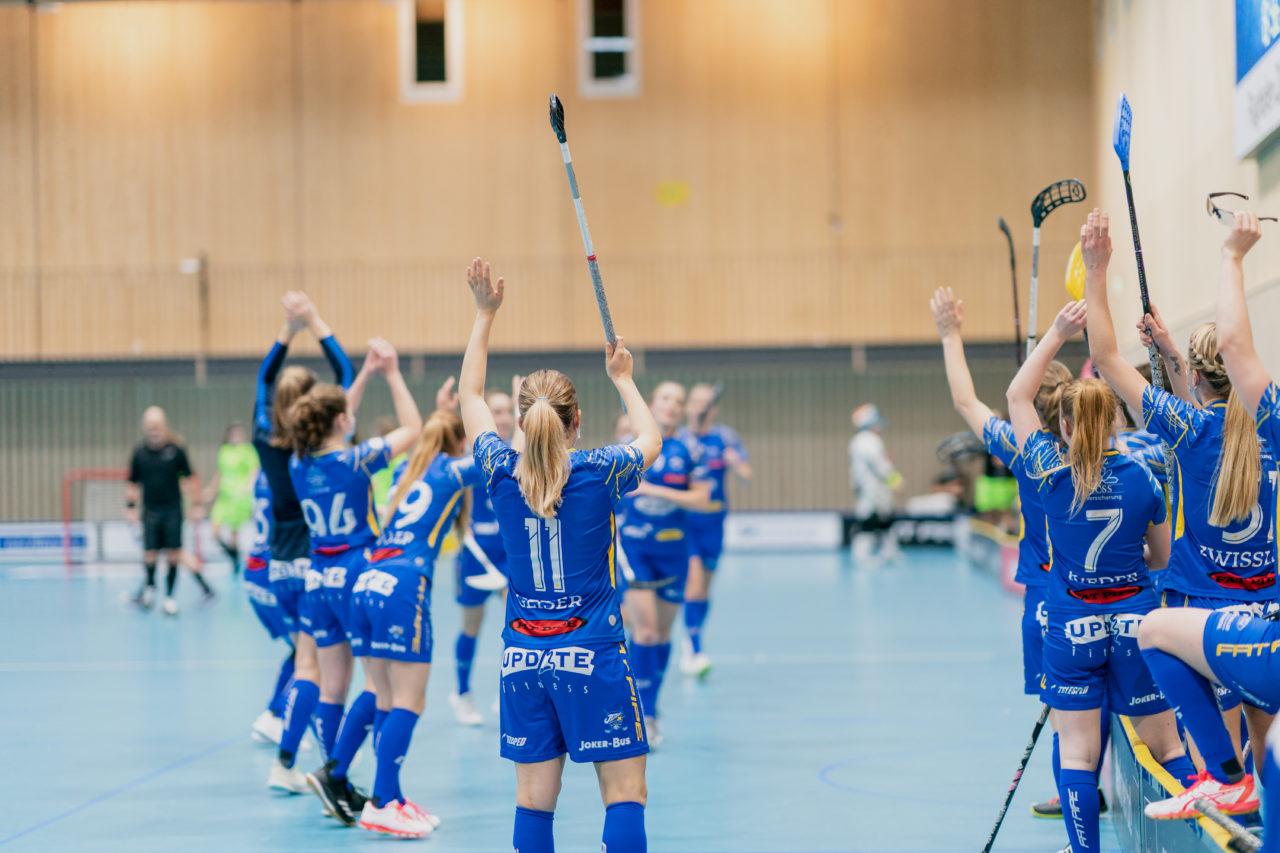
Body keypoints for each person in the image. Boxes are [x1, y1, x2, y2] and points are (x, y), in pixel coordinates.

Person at [459, 257, 661, 853]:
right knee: (625, 795)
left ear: (521, 423)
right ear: (576, 423)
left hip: (523, 659)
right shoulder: (599, 473)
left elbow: (469, 393)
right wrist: (624, 378)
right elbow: (651, 440)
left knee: (533, 807)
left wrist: (483, 314)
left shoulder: (499, 472)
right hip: (591, 654)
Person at [1081, 209, 1276, 815]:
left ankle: (1218, 778)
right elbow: (1234, 371)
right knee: (1263, 745)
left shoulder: (1189, 429)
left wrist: (1096, 268)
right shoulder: (1270, 427)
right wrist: (1173, 354)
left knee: (1164, 652)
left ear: (1195, 378)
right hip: (1268, 603)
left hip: (1202, 606)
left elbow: (1107, 356)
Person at [1007, 297, 1195, 853]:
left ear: (1062, 424)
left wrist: (1059, 333)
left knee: (1078, 757)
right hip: (1136, 620)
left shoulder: (1047, 471)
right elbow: (1160, 559)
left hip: (1070, 627)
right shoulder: (1141, 478)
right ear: (1116, 419)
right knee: (1167, 747)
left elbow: (1017, 395)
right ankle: (1203, 836)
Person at [929, 286, 1103, 821]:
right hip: (1107, 591)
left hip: (1048, 600)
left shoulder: (1022, 448)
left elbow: (965, 400)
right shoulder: (1102, 446)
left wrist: (950, 333)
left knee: (1065, 716)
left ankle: (1074, 793)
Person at [289, 339, 422, 826]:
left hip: (316, 577)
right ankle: (337, 773)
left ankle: (336, 778)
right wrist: (390, 374)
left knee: (333, 685)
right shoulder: (355, 460)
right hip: (355, 570)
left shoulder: (298, 464)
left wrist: (362, 377)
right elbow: (414, 429)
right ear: (341, 422)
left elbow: (329, 416)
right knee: (377, 685)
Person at [349, 408, 479, 837]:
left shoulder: (411, 470)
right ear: (460, 443)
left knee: (385, 697)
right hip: (404, 585)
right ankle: (380, 802)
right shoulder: (451, 470)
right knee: (410, 700)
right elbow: (503, 456)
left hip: (369, 579)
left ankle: (392, 797)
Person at [253, 291, 360, 795]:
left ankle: (301, 762)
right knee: (318, 669)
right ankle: (311, 766)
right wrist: (314, 320)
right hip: (315, 560)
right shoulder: (317, 447)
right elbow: (344, 372)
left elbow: (262, 381)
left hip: (279, 562)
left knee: (305, 663)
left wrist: (285, 330)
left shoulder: (265, 439)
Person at [619, 381, 712, 744]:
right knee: (644, 630)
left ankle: (651, 705)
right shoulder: (634, 443)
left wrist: (656, 490)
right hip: (636, 549)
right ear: (652, 403)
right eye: (665, 399)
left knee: (661, 634)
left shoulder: (691, 449)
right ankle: (643, 714)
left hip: (674, 551)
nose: (672, 406)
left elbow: (703, 499)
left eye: (678, 401)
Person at [450, 379, 521, 727]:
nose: (504, 418)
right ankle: (462, 693)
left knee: (519, 625)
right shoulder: (473, 455)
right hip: (476, 555)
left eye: (509, 411)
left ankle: (509, 690)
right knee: (471, 627)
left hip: (511, 557)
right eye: (497, 412)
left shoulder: (519, 452)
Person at [678, 383, 751, 677]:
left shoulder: (725, 437)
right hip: (686, 524)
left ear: (713, 408)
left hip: (715, 523)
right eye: (694, 401)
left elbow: (747, 476)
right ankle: (694, 647)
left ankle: (692, 633)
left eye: (704, 402)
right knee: (693, 584)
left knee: (705, 589)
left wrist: (736, 464)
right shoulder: (680, 440)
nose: (699, 407)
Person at [126, 406, 213, 615]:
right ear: (144, 427)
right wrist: (130, 508)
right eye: (150, 426)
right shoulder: (139, 453)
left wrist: (196, 505)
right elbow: (132, 483)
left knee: (174, 555)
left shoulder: (176, 451)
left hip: (173, 511)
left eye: (157, 425)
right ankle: (148, 590)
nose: (154, 429)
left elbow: (189, 478)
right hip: (150, 511)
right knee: (150, 554)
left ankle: (169, 597)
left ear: (164, 426)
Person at [244, 470, 299, 746]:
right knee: (314, 651)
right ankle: (279, 716)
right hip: (277, 567)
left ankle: (276, 713)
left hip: (255, 565)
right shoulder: (293, 472)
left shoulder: (265, 471)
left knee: (301, 649)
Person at [848, 404, 902, 564]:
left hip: (872, 489)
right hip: (871, 490)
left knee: (885, 519)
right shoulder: (867, 440)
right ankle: (862, 557)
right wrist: (896, 480)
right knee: (868, 522)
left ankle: (889, 551)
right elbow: (880, 466)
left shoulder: (860, 441)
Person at [204, 421, 259, 575]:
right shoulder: (225, 450)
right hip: (224, 497)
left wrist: (248, 488)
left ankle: (235, 561)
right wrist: (211, 490)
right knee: (214, 532)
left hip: (239, 498)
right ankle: (233, 554)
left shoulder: (247, 450)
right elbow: (220, 472)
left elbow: (253, 471)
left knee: (234, 533)